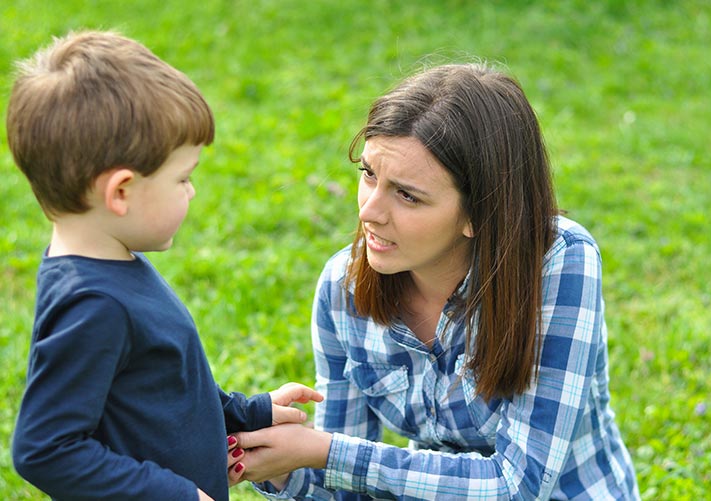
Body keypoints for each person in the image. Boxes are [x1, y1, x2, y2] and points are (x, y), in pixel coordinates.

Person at [232, 62, 640, 499]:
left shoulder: (558, 263)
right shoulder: (343, 287)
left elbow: (517, 485)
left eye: (407, 195)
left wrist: (327, 453)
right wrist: (277, 465)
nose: (369, 210)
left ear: (478, 214)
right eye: (369, 174)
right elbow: (343, 487)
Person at [7, 30, 322, 501]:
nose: (191, 192)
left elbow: (159, 386)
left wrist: (246, 412)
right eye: (183, 178)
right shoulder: (94, 305)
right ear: (121, 192)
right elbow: (44, 449)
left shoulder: (111, 262)